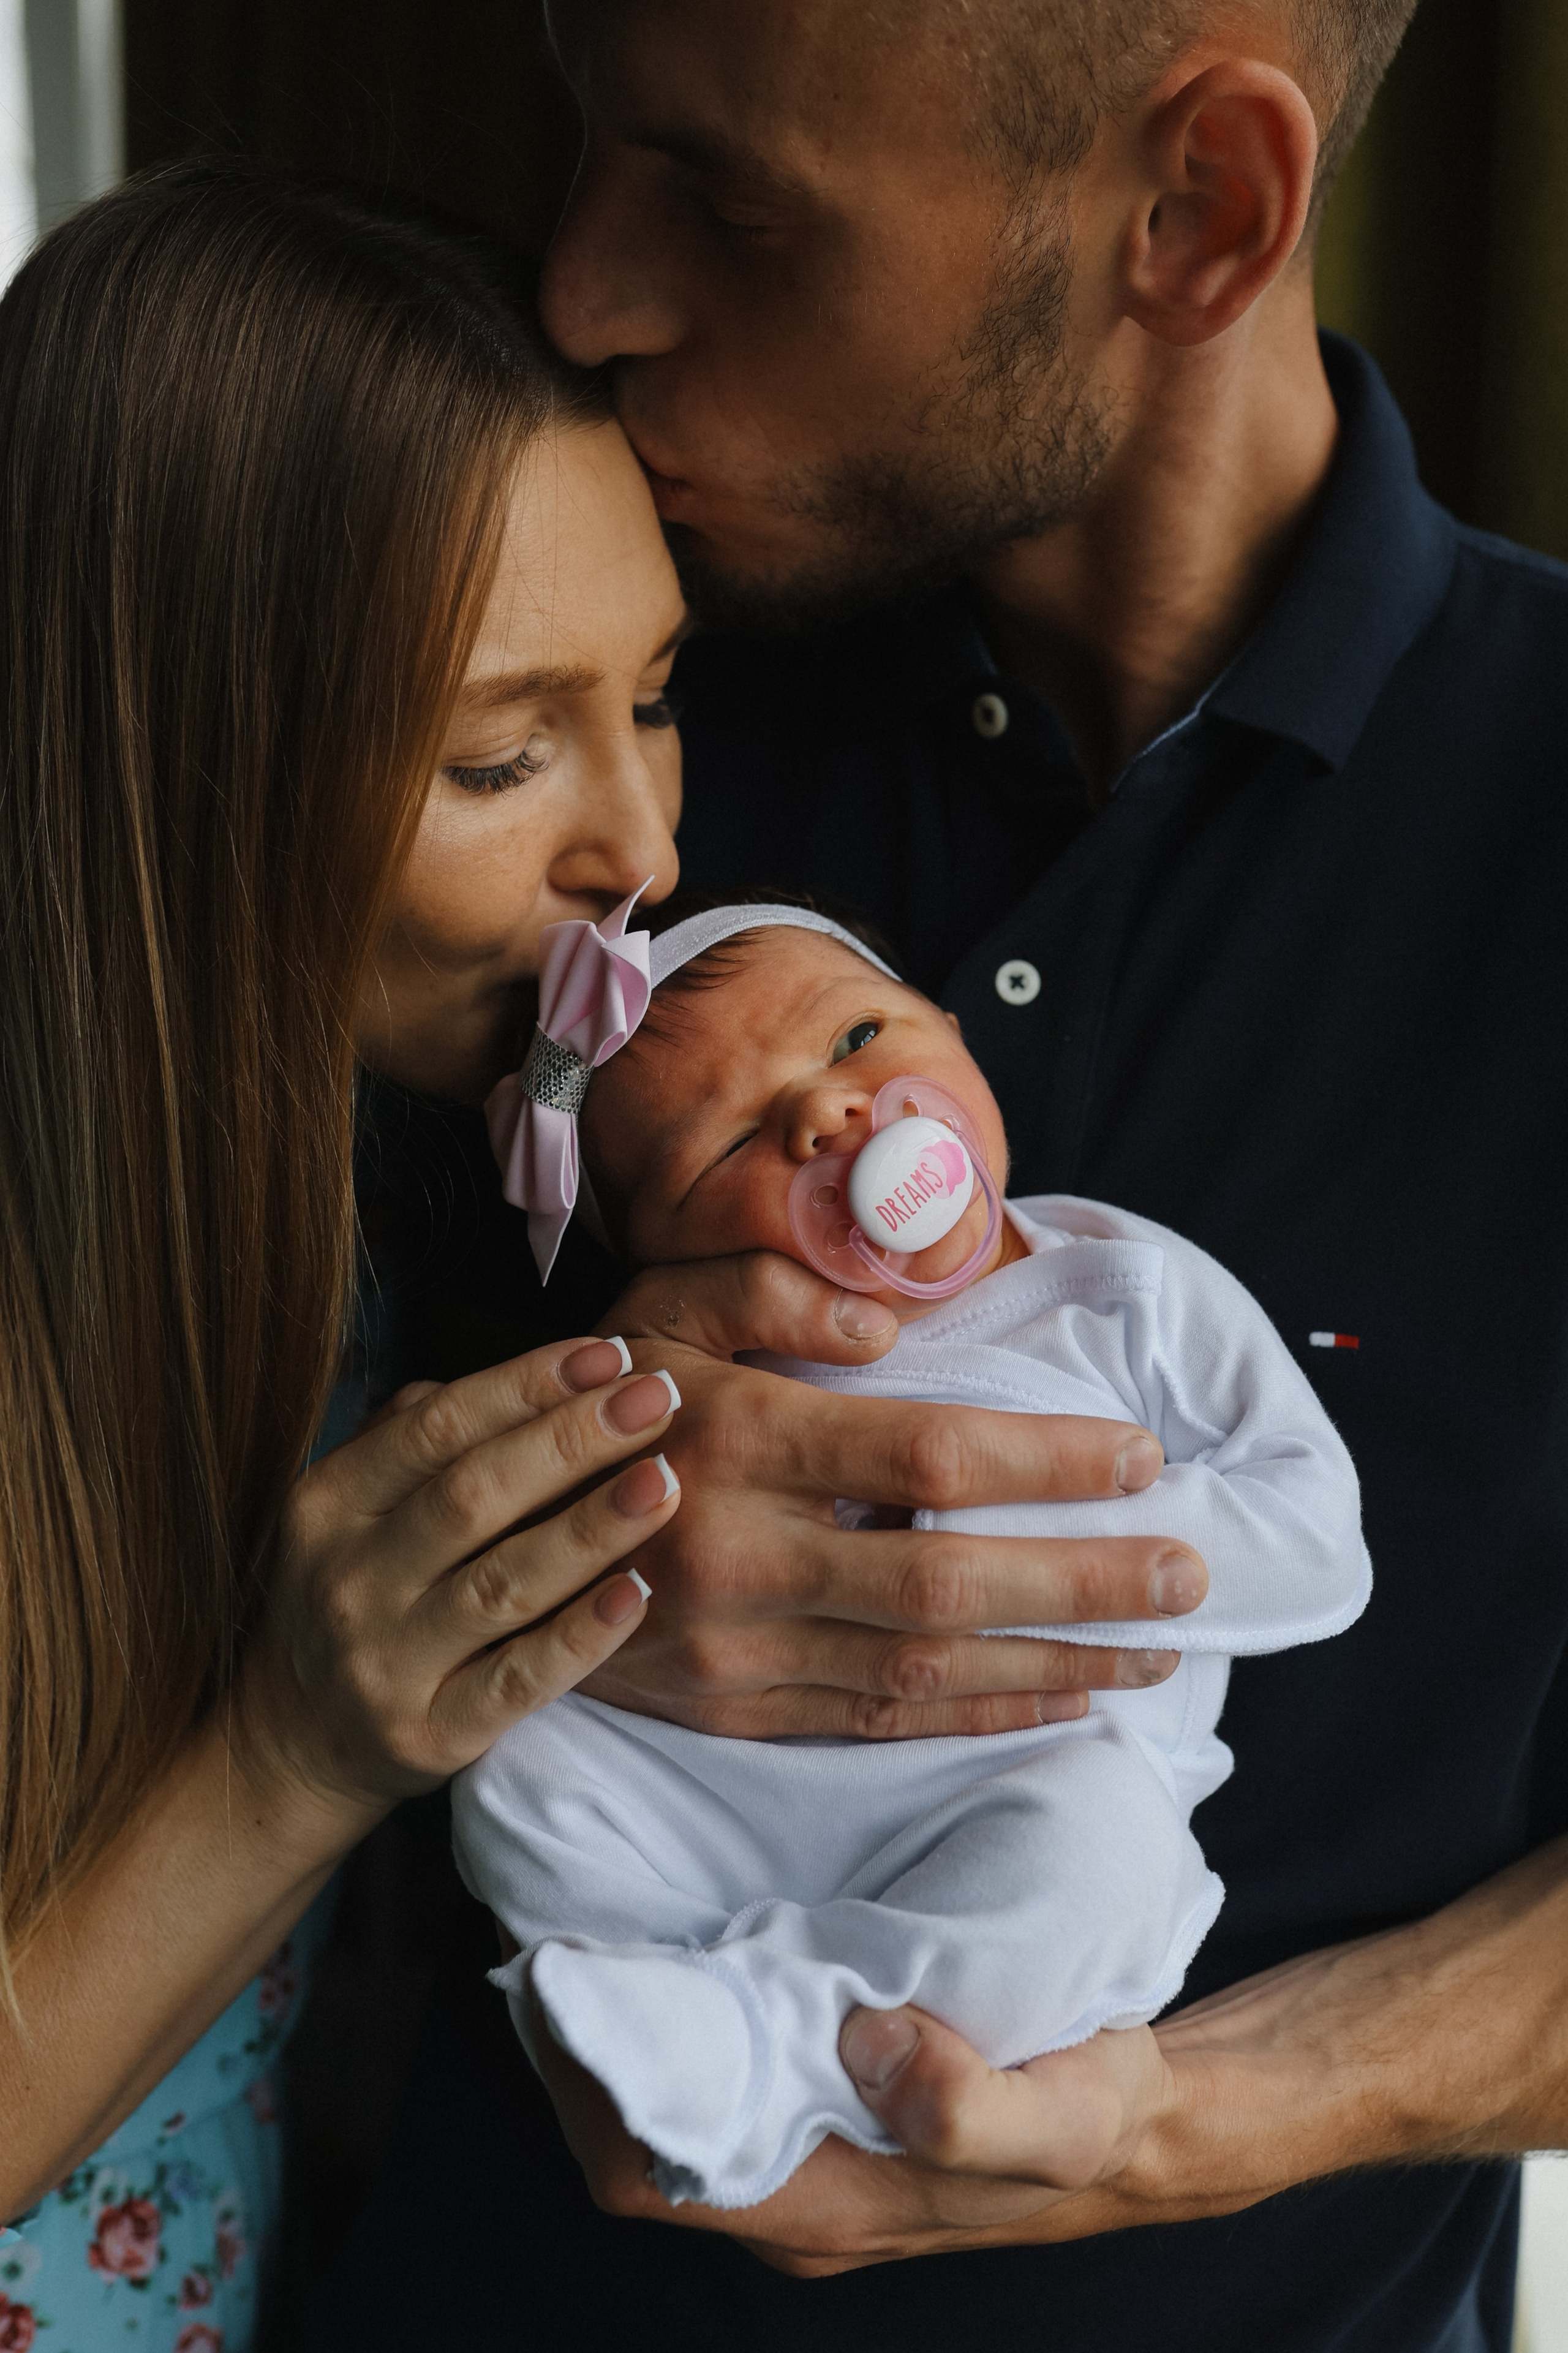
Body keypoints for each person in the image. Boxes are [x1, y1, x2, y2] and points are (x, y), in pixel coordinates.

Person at [301, 1, 1568, 2349]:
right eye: (595, 142)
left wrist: (1184, 2115)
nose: (581, 289)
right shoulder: (569, 722)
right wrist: (517, 1547)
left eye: (734, 200)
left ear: (1192, 216)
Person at [0, 159, 702, 2350]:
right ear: (182, 768)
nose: (646, 850)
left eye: (659, 692)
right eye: (504, 751)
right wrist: (295, 1756)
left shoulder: (376, 1208)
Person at [454, 894, 1370, 2215]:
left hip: (1023, 1774)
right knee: (511, 1753)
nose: (825, 1116)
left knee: (1105, 1861)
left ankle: (778, 2037)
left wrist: (1067, 1543)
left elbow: (1316, 1542)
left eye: (858, 1034)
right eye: (728, 1145)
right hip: (723, 1786)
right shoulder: (710, 1371)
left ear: (953, 1030)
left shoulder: (1118, 1290)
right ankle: (640, 2006)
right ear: (664, 1259)